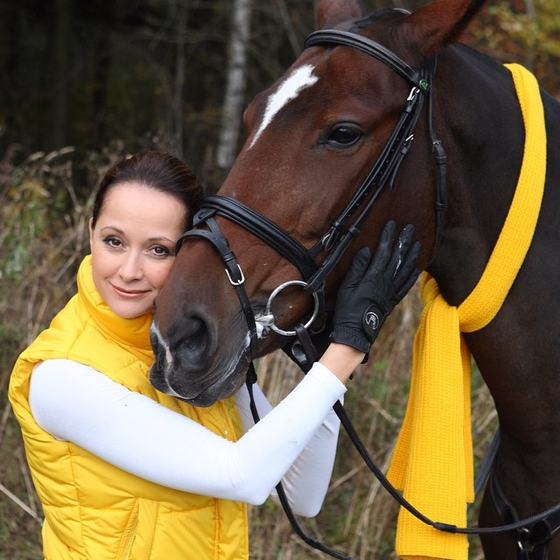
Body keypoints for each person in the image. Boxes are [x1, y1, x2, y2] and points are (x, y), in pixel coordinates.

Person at [8, 149, 420, 560]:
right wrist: (349, 346)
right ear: (91, 231)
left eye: (158, 250)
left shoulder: (186, 348)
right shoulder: (61, 376)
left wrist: (326, 357)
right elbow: (242, 475)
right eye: (114, 241)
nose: (129, 270)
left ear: (191, 251)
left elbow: (300, 496)